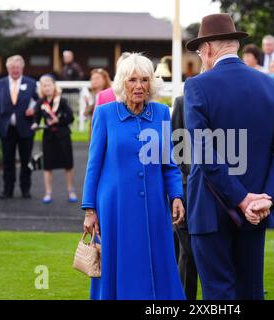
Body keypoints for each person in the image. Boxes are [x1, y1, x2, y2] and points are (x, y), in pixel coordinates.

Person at [184, 13, 274, 300]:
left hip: (212, 211)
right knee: (250, 291)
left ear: (208, 48)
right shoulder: (269, 85)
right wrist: (265, 198)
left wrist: (241, 198)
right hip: (256, 210)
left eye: (199, 52)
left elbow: (203, 151)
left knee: (218, 294)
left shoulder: (197, 86)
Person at [81, 53, 186, 300]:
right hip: (114, 207)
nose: (139, 86)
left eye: (144, 80)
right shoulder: (105, 114)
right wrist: (89, 209)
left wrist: (177, 196)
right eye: (132, 80)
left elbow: (168, 162)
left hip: (154, 205)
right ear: (122, 83)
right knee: (118, 263)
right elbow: (93, 164)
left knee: (158, 260)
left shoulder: (161, 113)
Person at [0, 55, 38, 199]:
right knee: (7, 161)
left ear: (22, 68)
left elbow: (39, 102)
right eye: (12, 67)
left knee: (26, 161)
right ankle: (7, 189)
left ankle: (25, 189)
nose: (15, 70)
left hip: (26, 128)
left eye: (17, 67)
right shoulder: (0, 83)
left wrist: (34, 111)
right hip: (7, 129)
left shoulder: (31, 83)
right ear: (8, 68)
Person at [31, 75, 76, 204]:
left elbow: (71, 118)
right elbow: (36, 117)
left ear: (54, 86)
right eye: (44, 86)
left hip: (63, 136)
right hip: (48, 137)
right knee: (47, 166)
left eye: (49, 85)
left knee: (68, 164)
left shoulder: (62, 101)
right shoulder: (40, 102)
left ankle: (71, 191)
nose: (47, 88)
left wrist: (59, 120)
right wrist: (35, 124)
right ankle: (48, 193)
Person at [171, 95, 198, 300]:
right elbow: (175, 145)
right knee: (188, 253)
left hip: (221, 192)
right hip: (188, 187)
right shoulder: (183, 101)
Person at [83, 68, 111, 138]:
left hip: (107, 128)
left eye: (97, 78)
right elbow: (85, 114)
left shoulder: (110, 95)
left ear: (105, 80)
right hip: (93, 127)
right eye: (92, 79)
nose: (94, 81)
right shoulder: (90, 95)